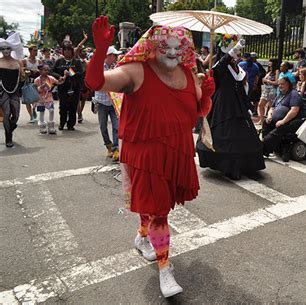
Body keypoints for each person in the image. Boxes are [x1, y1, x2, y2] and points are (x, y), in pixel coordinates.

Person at [85, 16, 215, 297]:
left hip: (176, 151)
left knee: (158, 206)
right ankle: (165, 269)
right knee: (159, 211)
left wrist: (205, 96)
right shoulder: (135, 70)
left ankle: (142, 236)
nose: (171, 53)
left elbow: (196, 114)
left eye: (177, 48)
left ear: (185, 49)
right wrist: (99, 51)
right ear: (153, 46)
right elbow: (95, 82)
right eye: (165, 47)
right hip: (144, 152)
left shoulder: (190, 74)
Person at [196, 37, 265, 180]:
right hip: (223, 105)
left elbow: (241, 86)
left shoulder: (237, 68)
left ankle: (244, 165)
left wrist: (247, 104)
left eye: (238, 54)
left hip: (237, 105)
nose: (237, 56)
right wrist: (236, 47)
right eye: (235, 53)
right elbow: (224, 61)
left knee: (243, 135)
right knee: (224, 135)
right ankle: (228, 167)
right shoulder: (219, 66)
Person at [262, 77, 304, 161]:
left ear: (288, 85)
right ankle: (267, 149)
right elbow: (272, 108)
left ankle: (262, 148)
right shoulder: (280, 95)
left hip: (289, 122)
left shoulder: (293, 94)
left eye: (282, 84)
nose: (280, 86)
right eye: (279, 84)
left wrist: (283, 121)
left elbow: (294, 110)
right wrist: (269, 115)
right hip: (276, 121)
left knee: (280, 128)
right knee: (266, 123)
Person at [94, 46, 121, 161]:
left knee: (117, 127)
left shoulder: (117, 67)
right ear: (108, 56)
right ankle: (108, 146)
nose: (116, 57)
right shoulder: (98, 68)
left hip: (114, 103)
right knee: (103, 127)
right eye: (114, 55)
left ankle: (116, 149)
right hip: (101, 102)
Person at [0, 32, 25, 147]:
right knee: (7, 112)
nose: (5, 50)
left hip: (15, 90)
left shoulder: (17, 63)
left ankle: (11, 126)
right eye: (3, 48)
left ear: (12, 49)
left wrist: (23, 75)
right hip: (2, 90)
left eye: (8, 48)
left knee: (15, 115)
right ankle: (8, 138)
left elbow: (22, 78)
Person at [52, 44, 84, 130]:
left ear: (72, 51)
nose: (67, 52)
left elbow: (81, 74)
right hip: (63, 87)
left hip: (75, 88)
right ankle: (62, 123)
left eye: (69, 50)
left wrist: (70, 73)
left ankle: (71, 124)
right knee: (63, 106)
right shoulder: (59, 61)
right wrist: (59, 76)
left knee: (73, 106)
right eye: (65, 50)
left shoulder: (77, 62)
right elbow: (52, 72)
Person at [34, 64, 66, 134]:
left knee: (51, 110)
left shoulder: (50, 78)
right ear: (40, 70)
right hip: (40, 98)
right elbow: (36, 90)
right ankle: (42, 127)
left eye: (47, 70)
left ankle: (51, 127)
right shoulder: (37, 80)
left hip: (49, 97)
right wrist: (43, 86)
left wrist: (64, 77)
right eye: (45, 70)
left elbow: (58, 82)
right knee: (41, 112)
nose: (47, 71)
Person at [23, 45, 42, 123]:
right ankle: (31, 116)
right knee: (28, 99)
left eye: (36, 50)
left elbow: (43, 70)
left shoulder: (39, 61)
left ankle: (34, 110)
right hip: (28, 81)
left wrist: (37, 71)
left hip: (37, 81)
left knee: (37, 98)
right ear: (30, 51)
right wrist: (29, 70)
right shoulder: (24, 60)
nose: (36, 52)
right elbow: (22, 69)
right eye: (34, 50)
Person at [257, 58, 279, 124]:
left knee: (270, 106)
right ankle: (261, 119)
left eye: (271, 62)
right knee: (261, 104)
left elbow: (276, 82)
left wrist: (268, 81)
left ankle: (269, 120)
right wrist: (264, 81)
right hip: (266, 89)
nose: (269, 63)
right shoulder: (269, 71)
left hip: (272, 89)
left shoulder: (276, 71)